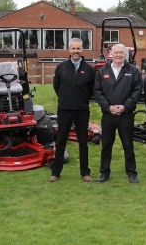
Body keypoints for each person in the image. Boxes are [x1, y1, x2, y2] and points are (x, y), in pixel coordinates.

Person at [48, 38, 95, 183]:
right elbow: (57, 86)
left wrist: (81, 100)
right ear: (69, 50)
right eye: (73, 48)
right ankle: (56, 173)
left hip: (82, 110)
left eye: (78, 48)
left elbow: (92, 89)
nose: (76, 51)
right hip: (65, 109)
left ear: (82, 50)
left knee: (83, 142)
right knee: (61, 141)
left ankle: (85, 173)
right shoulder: (61, 67)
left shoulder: (89, 69)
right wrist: (66, 99)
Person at [94, 44, 142, 183]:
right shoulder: (103, 71)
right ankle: (104, 173)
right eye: (117, 53)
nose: (119, 55)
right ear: (111, 54)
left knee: (128, 146)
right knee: (106, 145)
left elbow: (137, 91)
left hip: (125, 115)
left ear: (126, 54)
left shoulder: (133, 71)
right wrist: (108, 107)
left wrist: (125, 107)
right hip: (108, 115)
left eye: (122, 52)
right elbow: (97, 91)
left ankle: (132, 173)